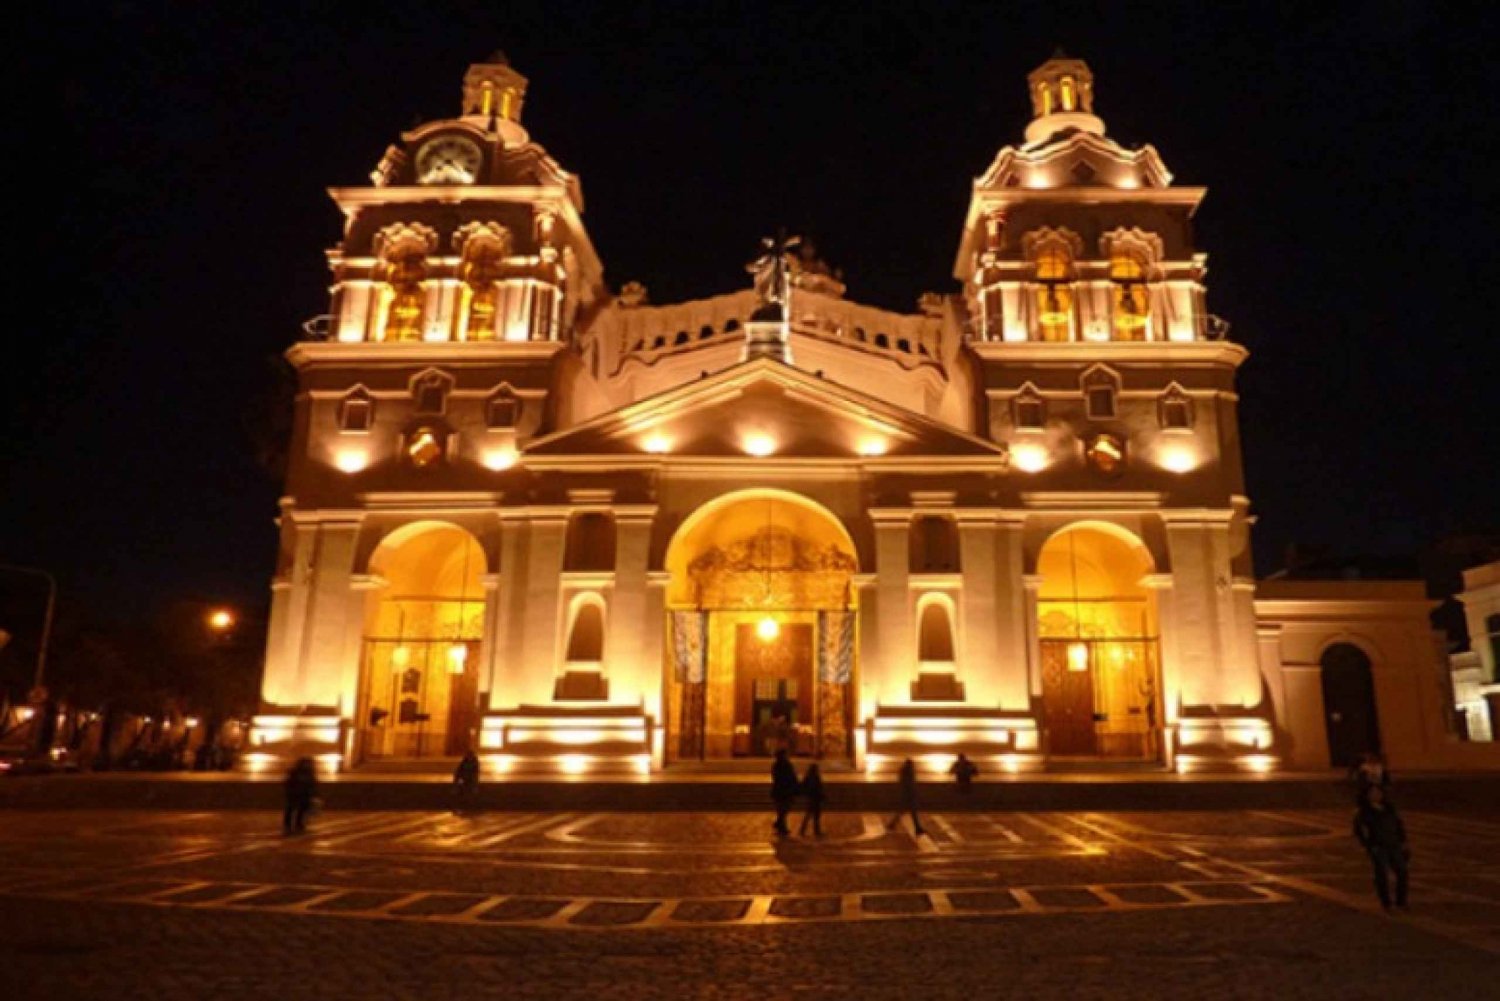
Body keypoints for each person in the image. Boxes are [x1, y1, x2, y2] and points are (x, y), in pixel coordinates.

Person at [1353, 785, 1410, 911]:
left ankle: (1401, 901)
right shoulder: (1364, 811)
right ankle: (1386, 902)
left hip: (1394, 844)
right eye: (1372, 793)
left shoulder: (1389, 808)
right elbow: (1359, 830)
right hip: (1378, 846)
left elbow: (1399, 825)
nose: (1376, 795)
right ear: (1367, 795)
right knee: (1382, 874)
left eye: (1378, 792)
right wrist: (1369, 845)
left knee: (1402, 871)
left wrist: (1403, 841)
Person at [886, 757, 926, 837]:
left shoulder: (904, 772)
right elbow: (910, 785)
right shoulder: (908, 773)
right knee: (911, 812)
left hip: (906, 795)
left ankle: (892, 824)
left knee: (905, 812)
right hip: (908, 796)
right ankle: (917, 828)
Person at [283, 757, 319, 835]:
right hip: (295, 794)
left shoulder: (309, 773)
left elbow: (312, 784)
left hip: (303, 795)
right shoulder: (295, 773)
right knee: (291, 810)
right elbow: (289, 783)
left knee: (301, 811)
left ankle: (298, 824)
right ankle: (289, 825)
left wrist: (313, 794)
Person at [770, 748, 799, 837]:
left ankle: (780, 824)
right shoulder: (785, 765)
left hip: (779, 790)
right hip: (784, 790)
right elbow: (791, 776)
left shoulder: (777, 765)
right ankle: (781, 825)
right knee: (784, 809)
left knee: (782, 809)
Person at [798, 762, 825, 837]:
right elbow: (817, 788)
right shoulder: (815, 777)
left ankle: (804, 830)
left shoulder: (808, 777)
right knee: (814, 815)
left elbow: (804, 786)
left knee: (810, 814)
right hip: (815, 798)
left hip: (812, 797)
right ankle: (814, 830)